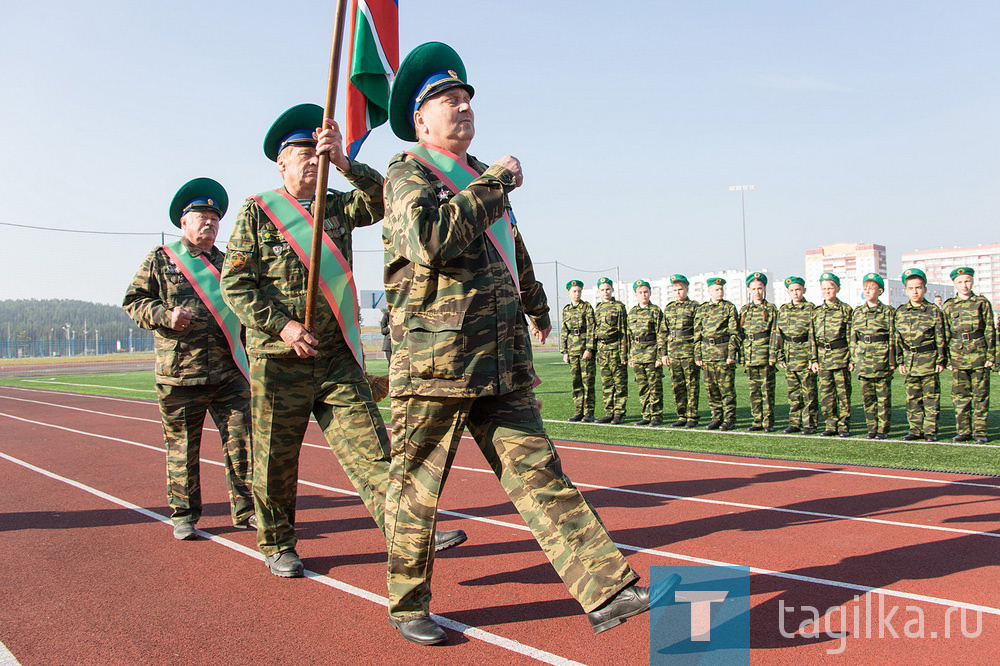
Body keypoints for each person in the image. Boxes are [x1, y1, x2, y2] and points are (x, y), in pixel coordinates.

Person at [380, 41, 674, 646]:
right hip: (436, 365)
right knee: (416, 486)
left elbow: (510, 249)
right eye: (447, 100)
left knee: (541, 473)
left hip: (499, 361)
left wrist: (537, 304)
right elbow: (430, 239)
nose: (462, 108)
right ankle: (407, 603)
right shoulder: (407, 175)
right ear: (420, 119)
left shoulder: (477, 177)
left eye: (466, 98)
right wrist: (492, 184)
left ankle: (608, 591)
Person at [220, 103, 464, 578]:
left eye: (318, 151)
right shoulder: (258, 211)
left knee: (374, 451)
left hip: (335, 359)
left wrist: (348, 165)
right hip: (280, 359)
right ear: (281, 163)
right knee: (275, 461)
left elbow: (382, 201)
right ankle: (277, 542)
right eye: (301, 153)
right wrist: (283, 326)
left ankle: (407, 528)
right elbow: (236, 285)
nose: (312, 160)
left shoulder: (335, 205)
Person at [123, 178, 254, 540]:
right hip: (180, 376)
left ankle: (247, 511)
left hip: (230, 374)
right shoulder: (161, 260)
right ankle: (184, 514)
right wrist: (166, 316)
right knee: (182, 449)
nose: (209, 224)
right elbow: (133, 302)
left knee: (244, 445)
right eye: (201, 217)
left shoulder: (229, 265)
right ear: (183, 222)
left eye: (214, 218)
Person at [943, 267, 995, 443]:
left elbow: (989, 330)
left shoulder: (982, 302)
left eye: (967, 281)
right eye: (960, 282)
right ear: (954, 284)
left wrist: (991, 355)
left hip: (979, 354)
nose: (964, 285)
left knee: (980, 396)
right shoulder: (949, 305)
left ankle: (980, 432)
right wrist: (947, 359)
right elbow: (945, 334)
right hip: (958, 355)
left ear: (972, 281)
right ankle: (964, 431)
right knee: (960, 396)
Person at [895, 268, 947, 441]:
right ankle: (915, 430)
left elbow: (940, 337)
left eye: (918, 287)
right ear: (906, 290)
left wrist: (941, 359)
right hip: (910, 360)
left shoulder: (933, 311)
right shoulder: (901, 312)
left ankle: (930, 431)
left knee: (931, 398)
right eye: (911, 288)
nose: (915, 291)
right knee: (913, 398)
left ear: (925, 289)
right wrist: (900, 361)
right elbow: (897, 339)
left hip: (929, 360)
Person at [849, 273, 895, 439]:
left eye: (872, 288)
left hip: (882, 359)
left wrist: (892, 360)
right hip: (864, 359)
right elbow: (853, 337)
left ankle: (883, 429)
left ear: (880, 291)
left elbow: (892, 337)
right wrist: (854, 359)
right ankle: (871, 428)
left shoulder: (888, 312)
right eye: (865, 288)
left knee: (883, 397)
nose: (868, 291)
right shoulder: (858, 312)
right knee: (868, 397)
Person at [772, 277, 818, 434]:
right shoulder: (783, 310)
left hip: (805, 353)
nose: (795, 293)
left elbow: (814, 335)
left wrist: (813, 358)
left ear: (804, 290)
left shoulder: (811, 309)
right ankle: (795, 422)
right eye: (792, 290)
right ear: (787, 292)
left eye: (798, 289)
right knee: (793, 392)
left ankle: (810, 423)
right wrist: (780, 355)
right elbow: (778, 334)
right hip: (790, 354)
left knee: (809, 391)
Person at [810, 272, 853, 437]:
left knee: (843, 394)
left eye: (831, 288)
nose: (828, 291)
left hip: (841, 356)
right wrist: (814, 359)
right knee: (826, 393)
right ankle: (830, 425)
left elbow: (851, 336)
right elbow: (812, 337)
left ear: (838, 289)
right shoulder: (817, 312)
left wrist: (851, 358)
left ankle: (843, 425)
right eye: (824, 288)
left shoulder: (846, 309)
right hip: (823, 357)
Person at [695, 277, 739, 430]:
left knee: (726, 388)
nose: (719, 292)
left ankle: (729, 419)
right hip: (707, 353)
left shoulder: (729, 308)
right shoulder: (702, 309)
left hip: (723, 352)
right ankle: (716, 417)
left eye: (721, 289)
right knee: (711, 388)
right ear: (709, 291)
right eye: (716, 289)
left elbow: (734, 333)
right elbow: (697, 334)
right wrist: (698, 355)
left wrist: (731, 354)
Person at [739, 272, 777, 431]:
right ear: (749, 290)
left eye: (760, 288)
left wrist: (773, 355)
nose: (757, 292)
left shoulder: (771, 308)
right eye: (754, 288)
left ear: (764, 289)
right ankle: (757, 420)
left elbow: (775, 333)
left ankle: (768, 422)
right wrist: (742, 356)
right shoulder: (745, 310)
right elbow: (741, 335)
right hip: (750, 354)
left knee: (767, 391)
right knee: (754, 391)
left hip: (765, 354)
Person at [661, 274, 700, 427]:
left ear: (687, 289)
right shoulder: (669, 308)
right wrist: (663, 353)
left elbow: (698, 332)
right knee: (677, 385)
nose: (678, 293)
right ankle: (682, 415)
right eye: (675, 290)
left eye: (681, 289)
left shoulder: (695, 307)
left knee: (691, 385)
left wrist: (697, 353)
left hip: (688, 350)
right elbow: (663, 332)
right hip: (673, 351)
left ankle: (692, 416)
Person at [627, 279, 665, 426]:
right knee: (642, 386)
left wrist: (660, 356)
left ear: (650, 293)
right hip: (637, 354)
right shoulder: (632, 312)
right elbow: (630, 336)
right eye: (641, 292)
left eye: (646, 292)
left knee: (654, 386)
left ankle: (656, 415)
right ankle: (646, 414)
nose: (643, 295)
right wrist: (630, 356)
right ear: (636, 294)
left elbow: (661, 334)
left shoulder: (655, 311)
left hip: (651, 353)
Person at [560, 279, 597, 422]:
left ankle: (589, 412)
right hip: (572, 350)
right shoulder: (566, 310)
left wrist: (589, 348)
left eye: (579, 291)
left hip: (584, 350)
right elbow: (564, 331)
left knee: (588, 382)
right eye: (574, 291)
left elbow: (591, 329)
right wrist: (565, 351)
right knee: (576, 382)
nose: (577, 294)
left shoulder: (587, 308)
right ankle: (578, 411)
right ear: (569, 293)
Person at [595, 276, 629, 423]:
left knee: (619, 383)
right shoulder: (598, 308)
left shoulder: (619, 307)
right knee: (606, 383)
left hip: (616, 348)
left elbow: (623, 331)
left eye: (608, 289)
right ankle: (609, 412)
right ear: (599, 291)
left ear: (612, 290)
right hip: (603, 350)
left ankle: (619, 413)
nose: (605, 292)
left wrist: (624, 354)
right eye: (602, 290)